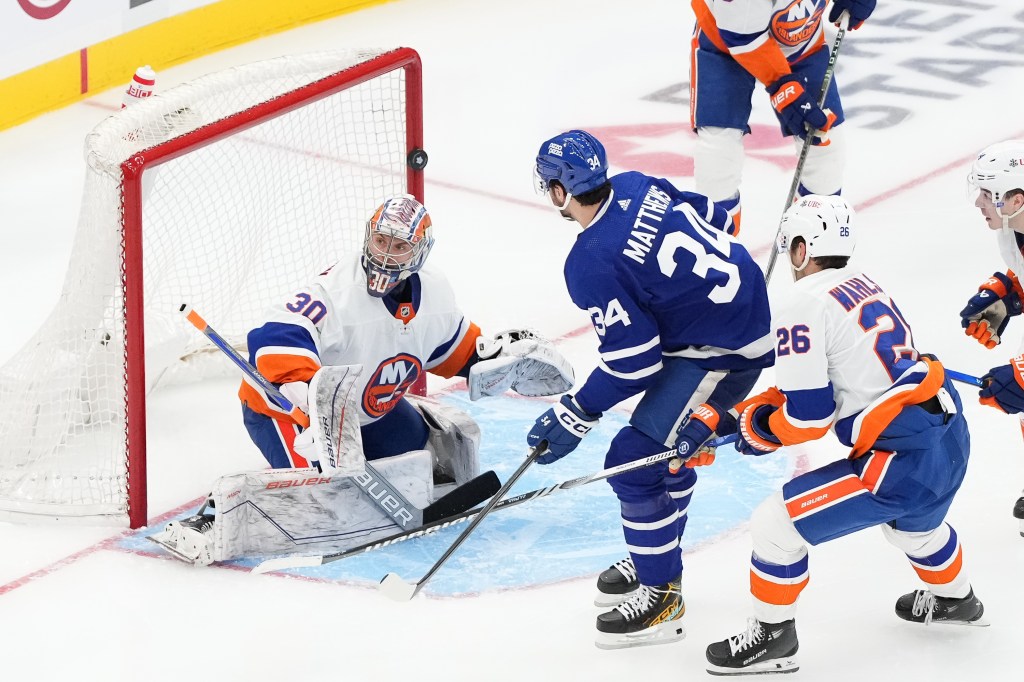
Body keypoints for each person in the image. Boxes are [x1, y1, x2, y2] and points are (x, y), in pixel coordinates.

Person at [154, 195, 574, 565]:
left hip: (368, 412)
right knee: (322, 498)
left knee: (421, 461)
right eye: (380, 241)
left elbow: (458, 351)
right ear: (367, 237)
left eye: (400, 245)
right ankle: (213, 516)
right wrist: (304, 396)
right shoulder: (336, 291)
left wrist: (500, 362)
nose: (387, 255)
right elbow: (273, 337)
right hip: (289, 414)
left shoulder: (435, 292)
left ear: (420, 251)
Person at [705, 195, 985, 676]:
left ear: (799, 248)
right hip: (949, 435)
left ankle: (774, 637)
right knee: (913, 528)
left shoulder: (801, 303)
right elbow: (834, 378)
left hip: (899, 461)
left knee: (776, 525)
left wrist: (755, 429)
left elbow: (810, 418)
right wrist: (750, 412)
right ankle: (957, 601)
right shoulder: (862, 283)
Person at [527, 130, 774, 649]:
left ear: (558, 191)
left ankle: (662, 594)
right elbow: (715, 214)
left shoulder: (590, 261)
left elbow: (635, 360)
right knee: (662, 455)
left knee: (631, 461)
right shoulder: (638, 183)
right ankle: (655, 553)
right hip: (736, 313)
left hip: (723, 353)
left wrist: (576, 411)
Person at [688, 0, 875, 230]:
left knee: (827, 149)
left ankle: (815, 254)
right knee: (719, 152)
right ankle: (714, 254)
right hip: (724, 41)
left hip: (801, 42)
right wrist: (782, 85)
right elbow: (741, 38)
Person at [956, 140, 1024, 537]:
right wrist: (1005, 294)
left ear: (1015, 198)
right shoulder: (1012, 227)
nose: (978, 203)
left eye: (987, 194)